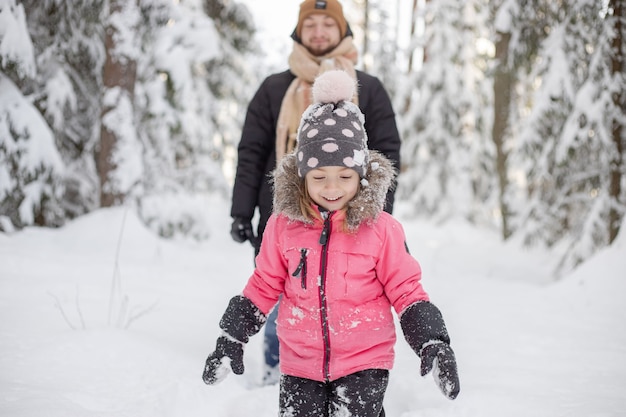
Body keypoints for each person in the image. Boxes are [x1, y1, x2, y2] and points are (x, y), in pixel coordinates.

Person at [204, 70, 459, 417]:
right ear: (303, 176)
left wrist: (433, 341)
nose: (332, 187)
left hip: (364, 363)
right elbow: (263, 286)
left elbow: (407, 290)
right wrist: (231, 336)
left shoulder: (381, 229)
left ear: (362, 175)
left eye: (344, 176)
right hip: (298, 364)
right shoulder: (282, 227)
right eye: (319, 176)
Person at [229, 0, 402, 384]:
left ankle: (350, 372)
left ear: (343, 31)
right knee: (282, 294)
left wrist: (376, 213)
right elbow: (252, 152)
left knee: (350, 296)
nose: (319, 31)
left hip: (356, 221)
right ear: (298, 32)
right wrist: (242, 211)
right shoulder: (274, 89)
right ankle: (282, 372)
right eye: (312, 24)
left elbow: (386, 153)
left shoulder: (369, 89)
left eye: (328, 23)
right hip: (286, 218)